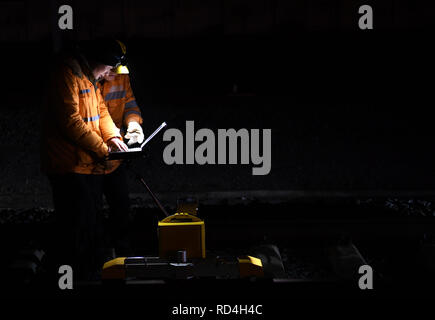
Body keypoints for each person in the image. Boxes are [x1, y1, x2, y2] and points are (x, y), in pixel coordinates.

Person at [41, 38, 129, 281]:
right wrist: (103, 149)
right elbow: (70, 122)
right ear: (98, 61)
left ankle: (87, 272)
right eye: (109, 68)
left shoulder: (89, 78)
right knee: (76, 226)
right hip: (68, 166)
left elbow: (101, 112)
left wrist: (113, 137)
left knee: (89, 224)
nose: (110, 74)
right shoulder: (66, 75)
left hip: (85, 165)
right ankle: (72, 276)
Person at [97, 41, 144, 257]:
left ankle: (123, 254)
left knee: (121, 207)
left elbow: (129, 103)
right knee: (93, 211)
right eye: (110, 70)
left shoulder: (121, 75)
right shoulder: (91, 80)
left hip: (115, 156)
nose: (113, 75)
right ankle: (100, 254)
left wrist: (133, 123)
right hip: (93, 157)